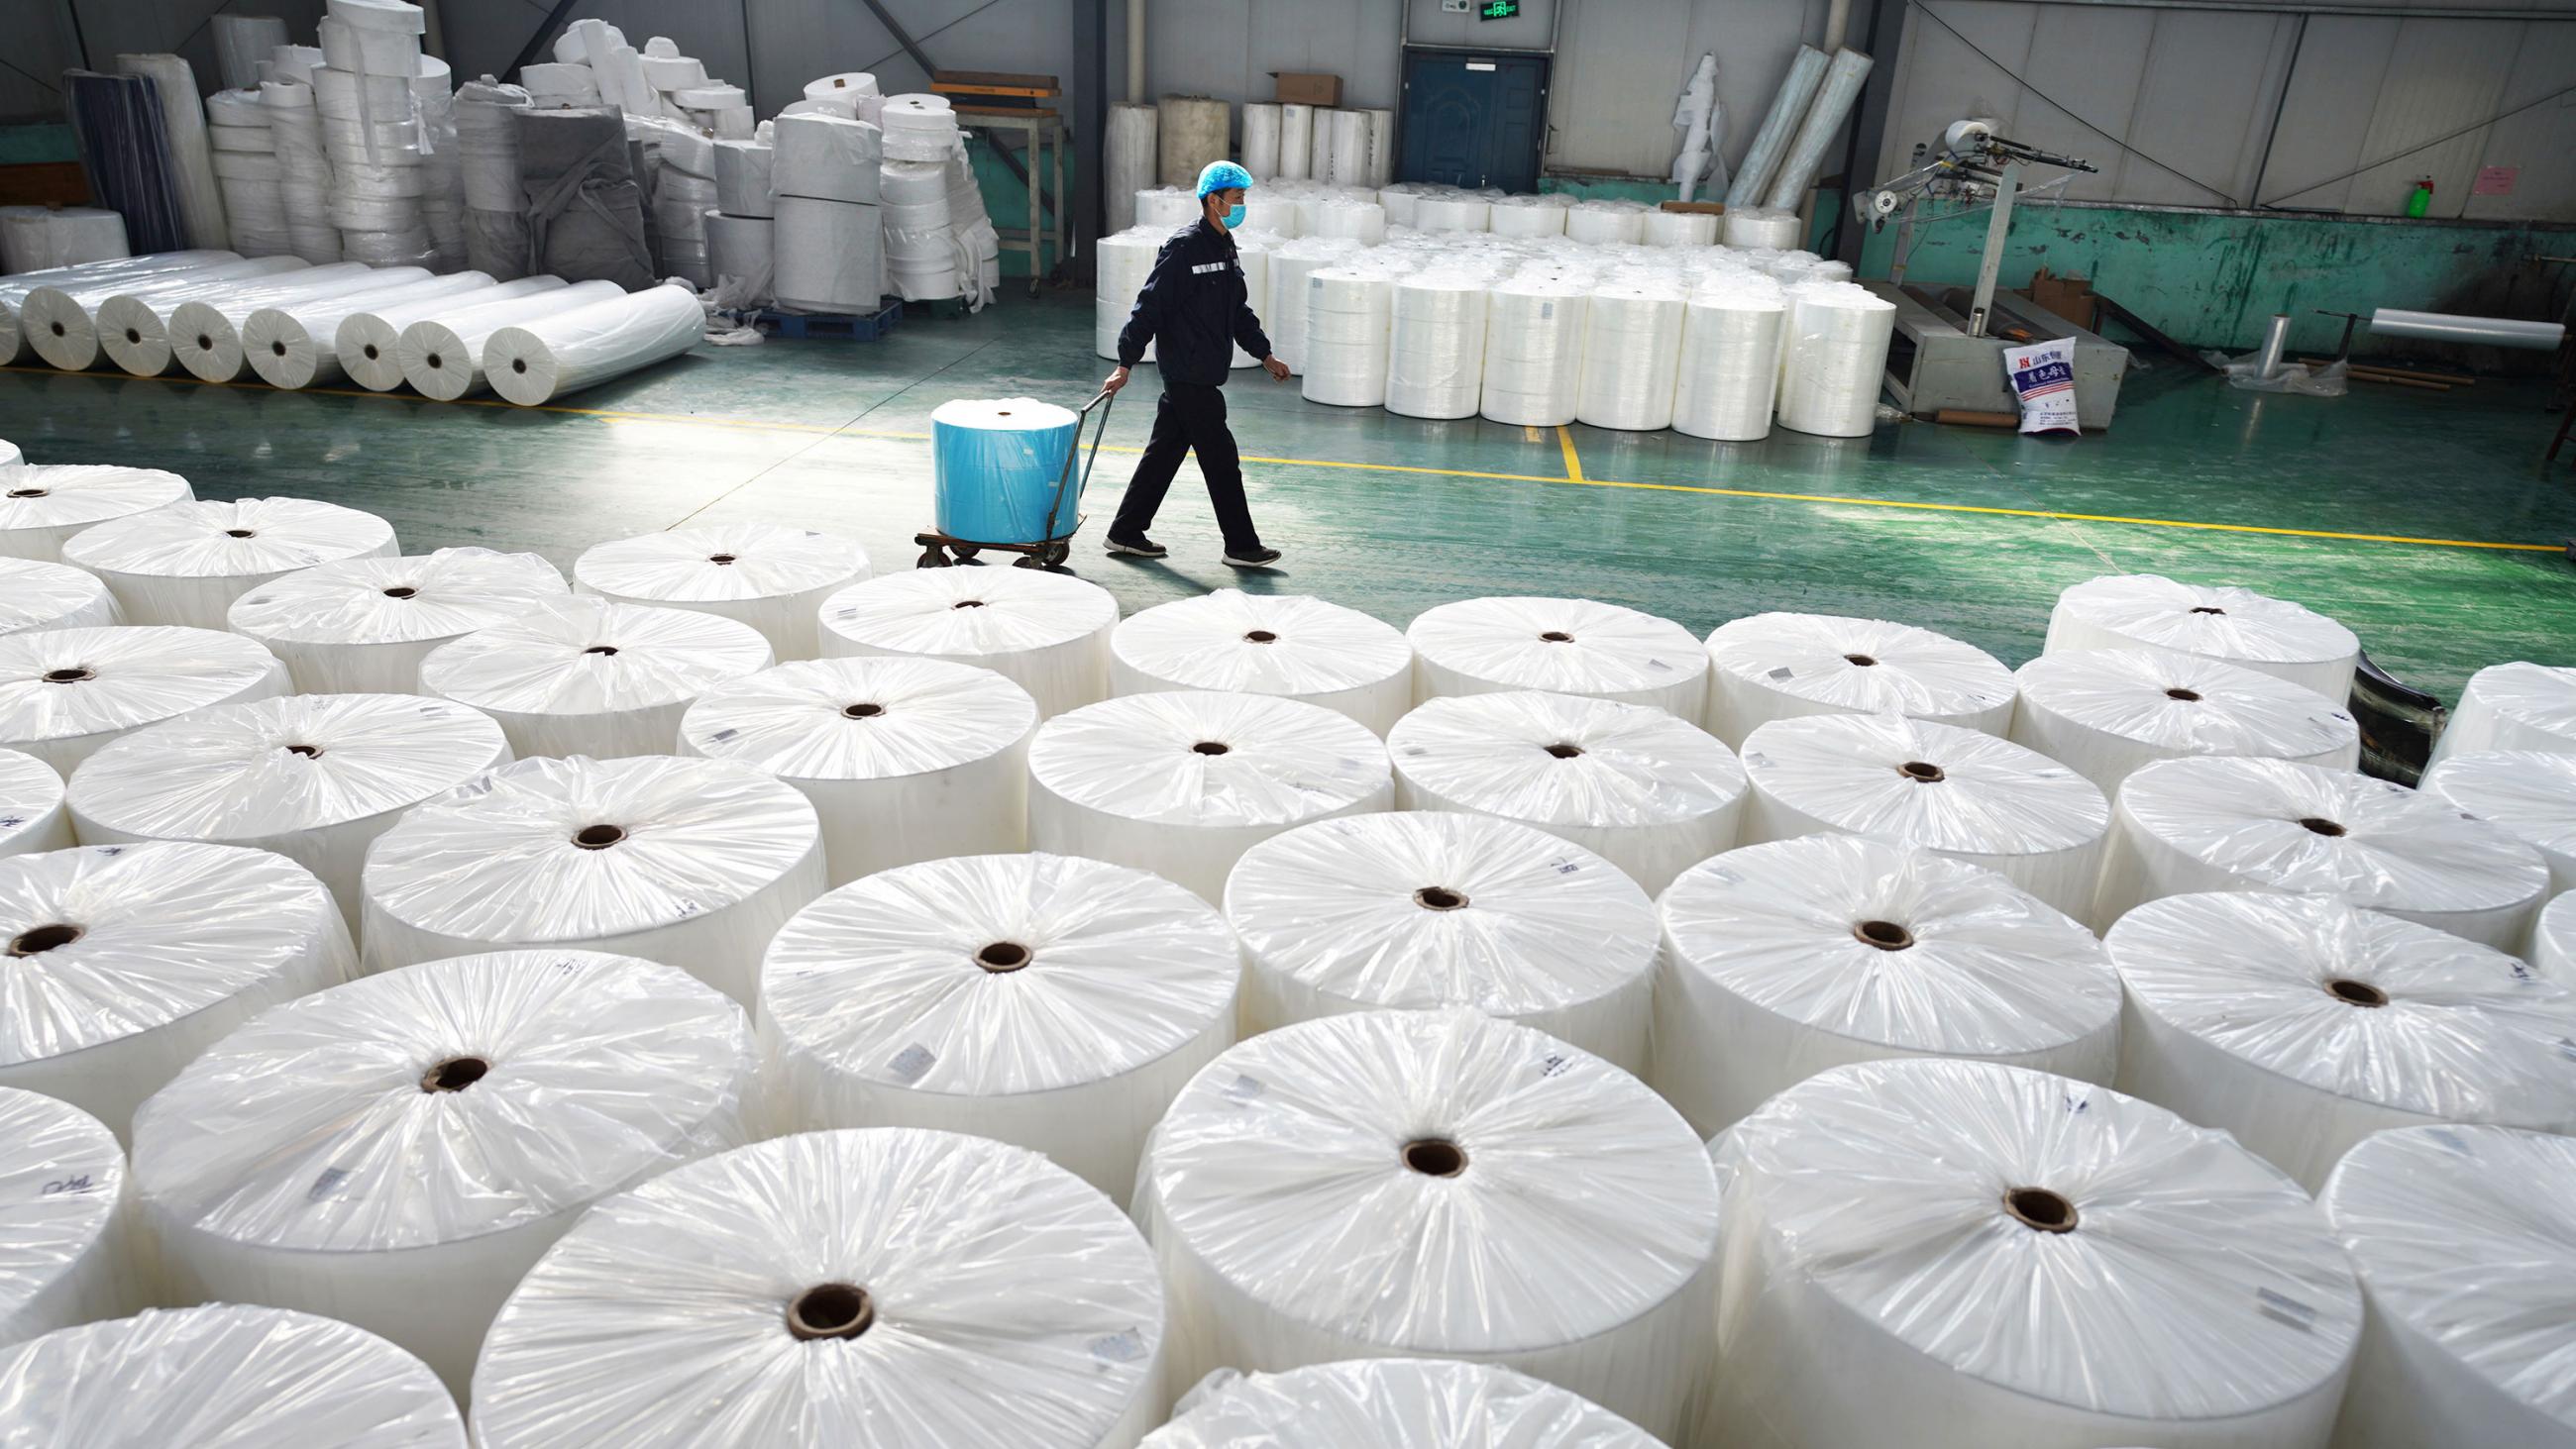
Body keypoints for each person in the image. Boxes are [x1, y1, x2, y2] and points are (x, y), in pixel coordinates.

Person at [1100, 159, 1287, 569]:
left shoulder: (1225, 246)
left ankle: (1126, 531)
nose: (1242, 205)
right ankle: (1240, 544)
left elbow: (1237, 309)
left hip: (1203, 372)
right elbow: (1148, 307)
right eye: (1237, 199)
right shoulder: (1184, 248)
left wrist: (1265, 354)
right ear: (1213, 201)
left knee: (1164, 454)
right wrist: (1125, 362)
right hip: (1188, 374)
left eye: (1243, 199)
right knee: (1222, 460)